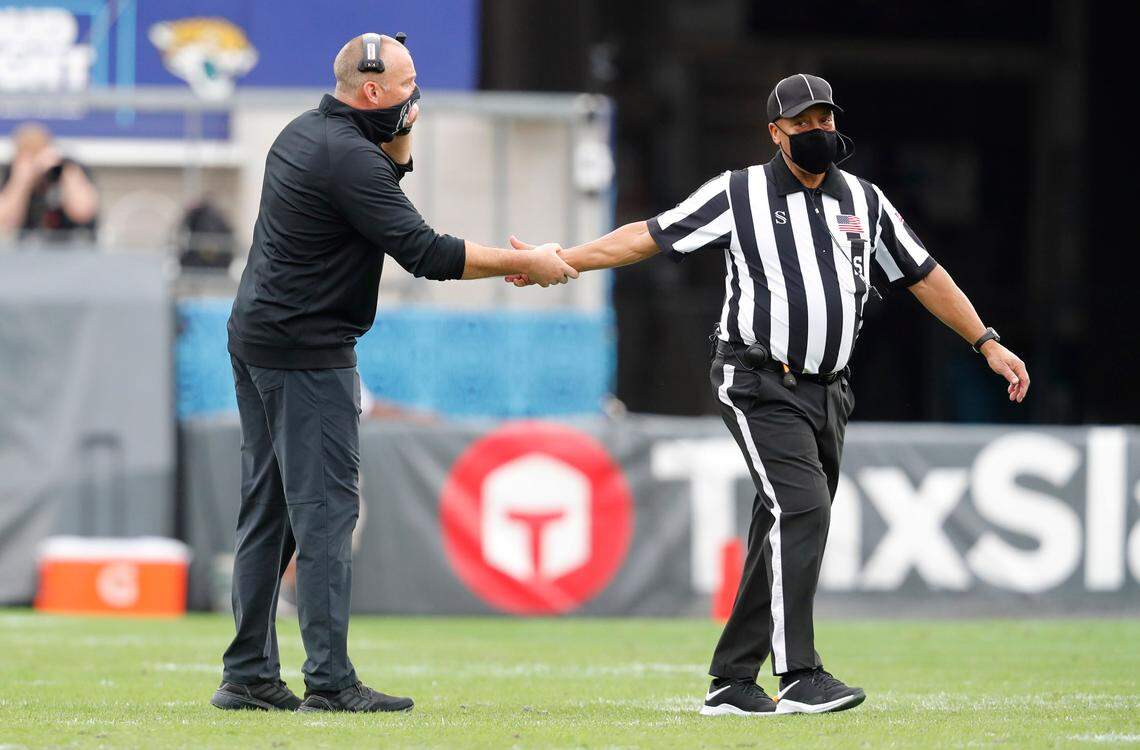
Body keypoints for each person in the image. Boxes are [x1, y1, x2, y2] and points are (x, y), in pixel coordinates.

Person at [507, 73, 1029, 716]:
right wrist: (562, 258)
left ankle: (731, 681)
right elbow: (648, 234)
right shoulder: (739, 192)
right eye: (803, 124)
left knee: (782, 522)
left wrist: (987, 342)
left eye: (825, 122)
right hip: (757, 378)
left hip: (829, 390)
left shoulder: (864, 201)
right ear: (776, 132)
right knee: (804, 508)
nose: (818, 133)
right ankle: (800, 674)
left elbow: (923, 274)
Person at [213, 32, 576, 715]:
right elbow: (428, 253)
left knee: (268, 509)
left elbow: (386, 179)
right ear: (372, 92)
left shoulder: (304, 133)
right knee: (324, 517)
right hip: (306, 352)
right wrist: (527, 263)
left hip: (256, 336)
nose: (418, 96)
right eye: (409, 86)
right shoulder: (350, 158)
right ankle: (328, 680)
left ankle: (248, 673)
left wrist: (402, 133)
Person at [0, 123, 99, 245]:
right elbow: (5, 222)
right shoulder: (15, 172)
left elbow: (83, 213)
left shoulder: (69, 167)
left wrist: (61, 172)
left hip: (74, 244)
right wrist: (21, 181)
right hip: (29, 249)